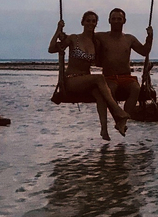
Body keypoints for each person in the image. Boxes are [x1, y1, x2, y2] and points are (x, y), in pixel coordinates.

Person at [49, 11, 130, 140]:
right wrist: (58, 30)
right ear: (82, 22)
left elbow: (102, 61)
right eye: (88, 21)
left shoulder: (95, 43)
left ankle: (104, 130)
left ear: (96, 24)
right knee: (99, 78)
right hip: (71, 80)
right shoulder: (73, 38)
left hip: (86, 80)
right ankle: (117, 111)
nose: (90, 23)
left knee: (100, 93)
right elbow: (52, 49)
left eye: (93, 21)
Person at [96, 7, 153, 116]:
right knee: (109, 91)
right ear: (109, 20)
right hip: (109, 77)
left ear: (124, 21)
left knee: (136, 88)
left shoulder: (129, 39)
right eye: (114, 19)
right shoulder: (101, 36)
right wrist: (65, 37)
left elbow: (144, 51)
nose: (116, 21)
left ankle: (125, 117)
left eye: (119, 19)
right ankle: (118, 117)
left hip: (126, 76)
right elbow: (84, 37)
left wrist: (150, 37)